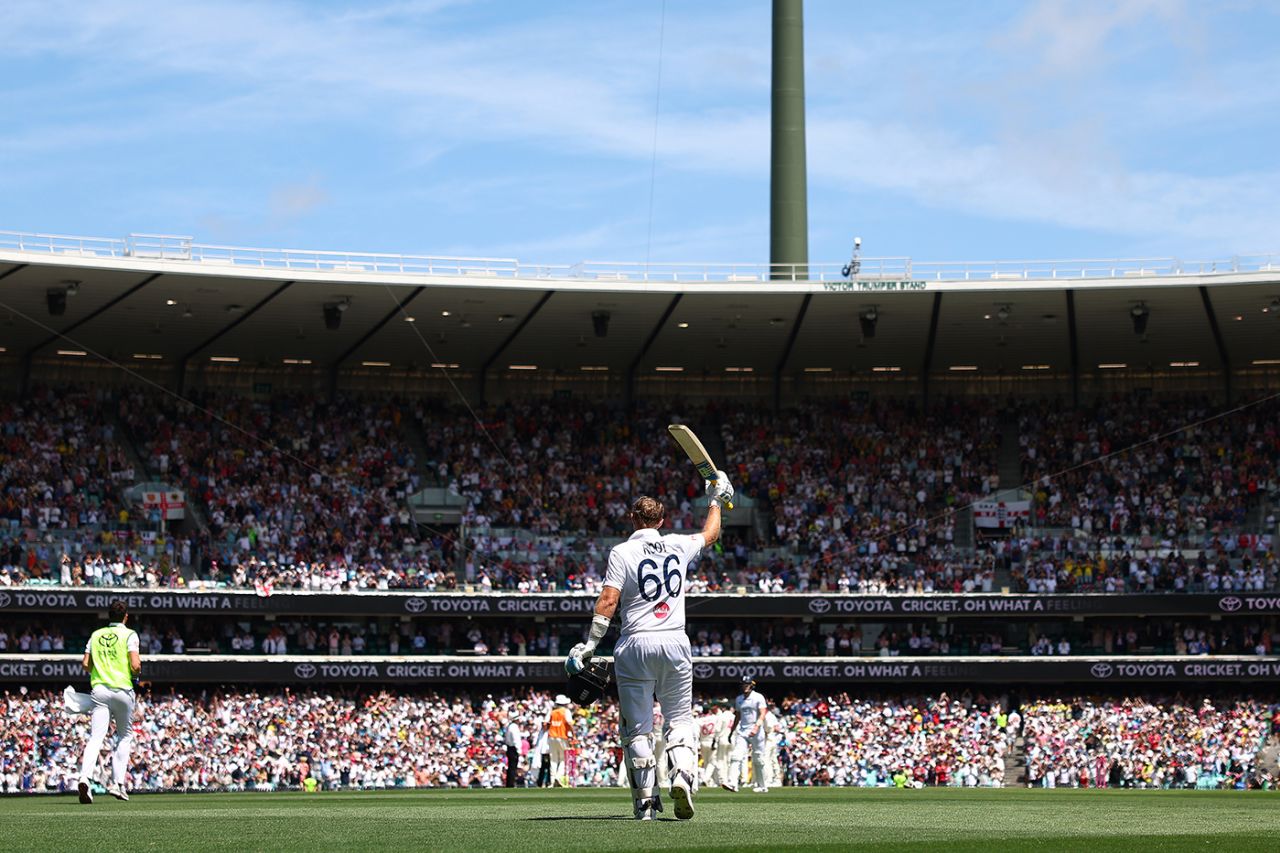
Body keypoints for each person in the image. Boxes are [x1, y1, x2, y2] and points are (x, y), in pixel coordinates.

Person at [566, 477, 732, 822]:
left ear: (632, 518)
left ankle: (645, 803)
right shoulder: (677, 544)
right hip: (674, 640)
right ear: (661, 521)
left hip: (635, 643)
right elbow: (711, 535)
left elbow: (609, 600)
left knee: (637, 728)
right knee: (679, 719)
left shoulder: (622, 552)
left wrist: (590, 645)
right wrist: (715, 500)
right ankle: (683, 776)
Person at [77, 599, 142, 804]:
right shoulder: (129, 634)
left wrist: (102, 668)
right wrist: (136, 673)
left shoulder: (95, 635)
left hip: (100, 690)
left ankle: (84, 778)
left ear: (108, 616)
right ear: (126, 616)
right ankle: (117, 784)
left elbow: (86, 665)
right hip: (122, 689)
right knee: (124, 736)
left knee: (96, 737)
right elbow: (135, 664)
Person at [726, 675, 769, 793]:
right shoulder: (739, 699)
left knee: (758, 759)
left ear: (752, 685)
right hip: (742, 731)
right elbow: (738, 716)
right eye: (743, 684)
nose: (745, 686)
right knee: (736, 756)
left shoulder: (758, 697)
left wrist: (756, 727)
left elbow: (762, 713)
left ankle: (762, 786)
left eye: (747, 684)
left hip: (756, 732)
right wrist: (731, 732)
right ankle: (733, 783)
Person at [546, 695, 573, 787]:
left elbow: (545, 724)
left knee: (553, 759)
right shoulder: (566, 712)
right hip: (562, 736)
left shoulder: (552, 712)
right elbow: (569, 723)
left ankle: (553, 781)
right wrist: (572, 734)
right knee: (563, 759)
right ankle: (558, 776)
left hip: (551, 737)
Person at [503, 712, 523, 788]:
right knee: (513, 767)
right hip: (513, 748)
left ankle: (509, 783)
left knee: (511, 767)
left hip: (510, 748)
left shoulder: (509, 726)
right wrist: (519, 750)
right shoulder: (514, 727)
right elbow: (516, 740)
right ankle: (511, 783)